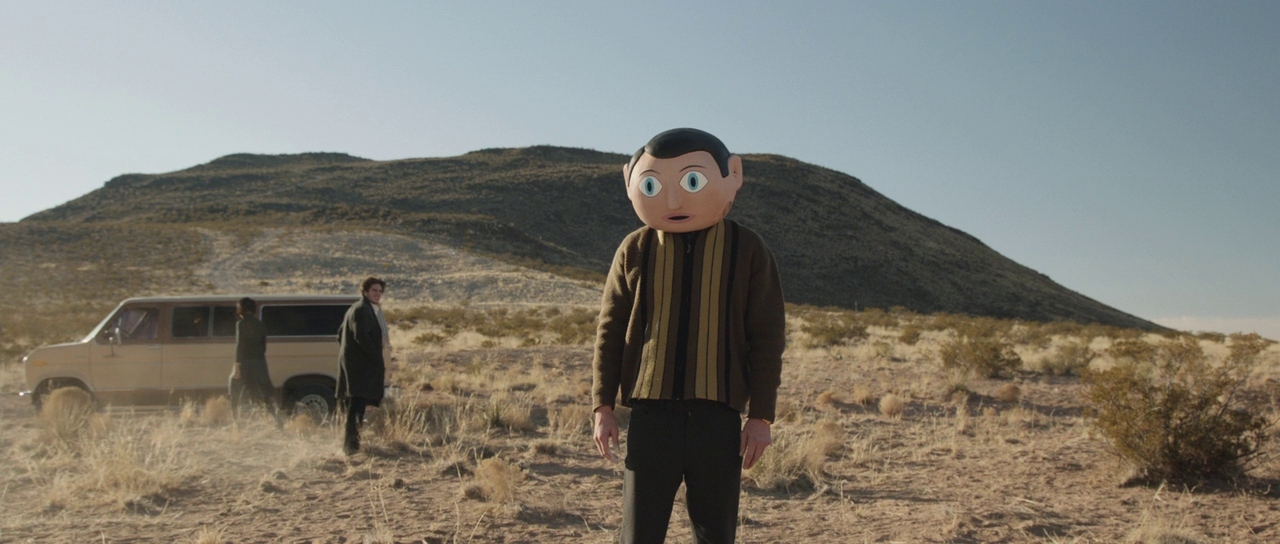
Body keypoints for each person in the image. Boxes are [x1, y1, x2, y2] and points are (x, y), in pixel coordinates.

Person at [592, 128, 786, 543]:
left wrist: (761, 416)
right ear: (631, 182)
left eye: (692, 181)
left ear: (732, 174)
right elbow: (609, 330)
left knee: (715, 536)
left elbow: (767, 337)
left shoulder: (748, 249)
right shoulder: (635, 248)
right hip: (651, 418)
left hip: (717, 420)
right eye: (653, 185)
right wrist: (602, 406)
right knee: (638, 535)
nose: (675, 201)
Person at [337, 277, 388, 454]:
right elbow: (362, 338)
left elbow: (339, 334)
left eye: (380, 291)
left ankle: (352, 446)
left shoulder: (359, 308)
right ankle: (351, 448)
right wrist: (374, 357)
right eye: (374, 290)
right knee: (356, 406)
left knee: (356, 405)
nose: (377, 294)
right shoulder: (361, 310)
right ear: (365, 291)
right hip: (359, 367)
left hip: (356, 364)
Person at [229, 297, 278, 421]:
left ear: (242, 309)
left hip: (246, 362)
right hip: (260, 363)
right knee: (264, 393)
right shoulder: (260, 324)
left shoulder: (241, 324)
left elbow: (240, 344)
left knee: (234, 387)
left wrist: (237, 365)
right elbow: (263, 346)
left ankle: (235, 419)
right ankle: (276, 419)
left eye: (238, 307)